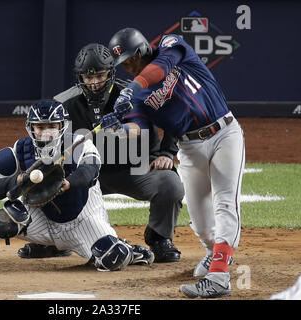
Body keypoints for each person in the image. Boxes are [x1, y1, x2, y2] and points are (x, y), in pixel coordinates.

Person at [0, 99, 154, 274]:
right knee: (5, 217)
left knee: (112, 258)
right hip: (41, 220)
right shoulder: (21, 149)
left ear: (61, 127)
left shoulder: (79, 144)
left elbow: (90, 172)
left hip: (83, 221)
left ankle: (130, 251)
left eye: (51, 126)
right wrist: (16, 180)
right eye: (39, 127)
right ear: (31, 128)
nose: (45, 132)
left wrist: (66, 183)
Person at [104, 28, 245, 298]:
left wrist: (133, 87)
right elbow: (140, 131)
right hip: (189, 148)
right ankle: (213, 253)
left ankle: (219, 276)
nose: (129, 68)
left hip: (224, 134)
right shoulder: (135, 98)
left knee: (225, 202)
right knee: (202, 222)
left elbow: (161, 68)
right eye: (124, 66)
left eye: (131, 60)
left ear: (143, 49)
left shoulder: (171, 46)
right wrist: (120, 127)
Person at [18, 43, 185, 263]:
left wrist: (167, 152)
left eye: (100, 75)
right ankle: (53, 243)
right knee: (48, 181)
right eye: (88, 77)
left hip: (137, 167)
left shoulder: (133, 94)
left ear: (111, 73)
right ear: (80, 77)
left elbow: (174, 115)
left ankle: (159, 238)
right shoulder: (64, 103)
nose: (94, 82)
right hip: (88, 174)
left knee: (169, 184)